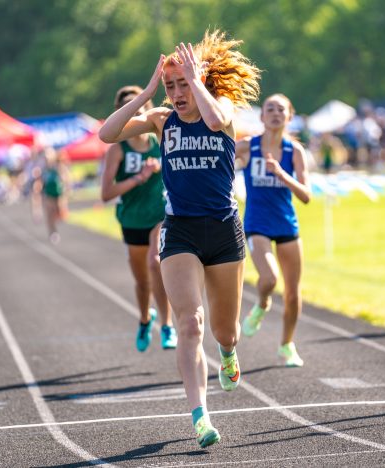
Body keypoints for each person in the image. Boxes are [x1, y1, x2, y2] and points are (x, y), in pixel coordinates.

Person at [99, 29, 260, 448]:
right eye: (170, 86)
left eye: (181, 84)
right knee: (190, 323)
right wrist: (148, 92)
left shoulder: (220, 108)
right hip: (181, 230)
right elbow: (106, 134)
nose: (176, 93)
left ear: (199, 81)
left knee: (226, 332)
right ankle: (200, 416)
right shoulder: (161, 120)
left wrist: (198, 78)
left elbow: (215, 121)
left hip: (224, 229)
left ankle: (227, 353)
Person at [235, 94, 311, 367]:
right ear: (262, 116)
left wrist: (282, 174)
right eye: (270, 109)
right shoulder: (248, 147)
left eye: (281, 110)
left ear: (289, 117)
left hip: (286, 223)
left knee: (292, 292)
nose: (276, 113)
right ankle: (262, 304)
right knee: (268, 279)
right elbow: (218, 157)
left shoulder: (295, 152)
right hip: (257, 223)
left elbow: (306, 195)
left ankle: (287, 345)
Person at [100, 85, 177, 352]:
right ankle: (145, 319)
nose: (138, 110)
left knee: (155, 263)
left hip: (160, 214)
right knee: (143, 281)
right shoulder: (118, 149)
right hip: (132, 219)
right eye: (130, 106)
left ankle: (167, 326)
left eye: (141, 105)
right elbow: (106, 193)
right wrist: (138, 178)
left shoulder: (159, 138)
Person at [41, 147, 70, 245]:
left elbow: (66, 178)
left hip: (59, 194)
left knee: (60, 215)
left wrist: (66, 190)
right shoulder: (44, 169)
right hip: (48, 194)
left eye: (48, 156)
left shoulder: (58, 167)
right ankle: (53, 232)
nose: (46, 158)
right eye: (45, 157)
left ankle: (57, 218)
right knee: (49, 214)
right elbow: (41, 182)